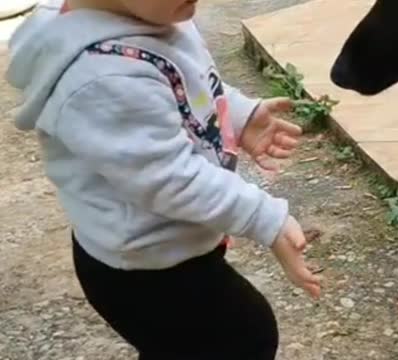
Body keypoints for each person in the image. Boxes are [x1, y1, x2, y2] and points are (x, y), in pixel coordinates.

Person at [4, 0, 322, 359]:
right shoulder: (104, 77)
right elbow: (170, 179)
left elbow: (188, 84)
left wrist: (238, 114)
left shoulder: (154, 15)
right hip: (145, 270)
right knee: (242, 337)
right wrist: (265, 217)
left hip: (168, 242)